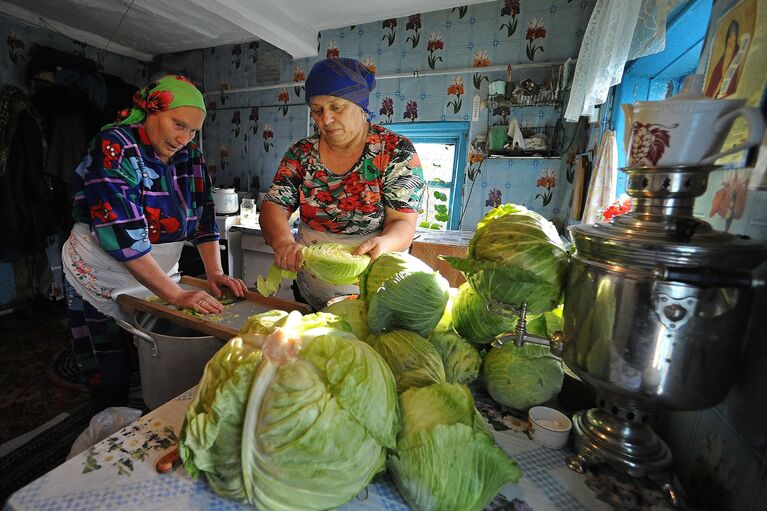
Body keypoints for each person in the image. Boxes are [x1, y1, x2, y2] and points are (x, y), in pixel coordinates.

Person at [61, 75, 247, 409]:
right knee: (108, 358)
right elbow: (123, 234)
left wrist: (214, 273)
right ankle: (108, 414)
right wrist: (176, 294)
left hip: (155, 271)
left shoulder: (191, 157)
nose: (184, 137)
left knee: (146, 347)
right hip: (101, 268)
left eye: (192, 130)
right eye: (178, 124)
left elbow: (205, 220)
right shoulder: (114, 145)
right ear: (151, 110)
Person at [259, 57, 425, 310]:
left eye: (337, 108)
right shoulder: (301, 153)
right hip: (311, 288)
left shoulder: (394, 151)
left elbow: (402, 222)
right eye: (317, 110)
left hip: (374, 291)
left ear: (360, 106)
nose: (326, 120)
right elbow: (274, 206)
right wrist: (282, 241)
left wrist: (386, 243)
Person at [705, 20, 747, 98]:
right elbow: (714, 81)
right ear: (727, 38)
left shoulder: (737, 53)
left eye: (734, 37)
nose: (731, 41)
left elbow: (736, 79)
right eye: (730, 37)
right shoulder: (722, 58)